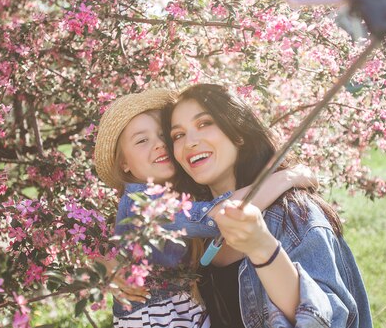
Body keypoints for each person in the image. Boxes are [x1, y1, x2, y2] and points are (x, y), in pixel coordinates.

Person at [93, 88, 317, 327]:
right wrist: (285, 178)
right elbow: (223, 214)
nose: (159, 145)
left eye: (164, 136)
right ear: (124, 163)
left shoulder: (178, 194)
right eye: (142, 140)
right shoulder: (142, 205)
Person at [164, 84, 373, 328]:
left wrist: (263, 247)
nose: (189, 142)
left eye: (204, 124)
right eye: (178, 135)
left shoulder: (294, 216)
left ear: (238, 133)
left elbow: (327, 322)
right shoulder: (191, 227)